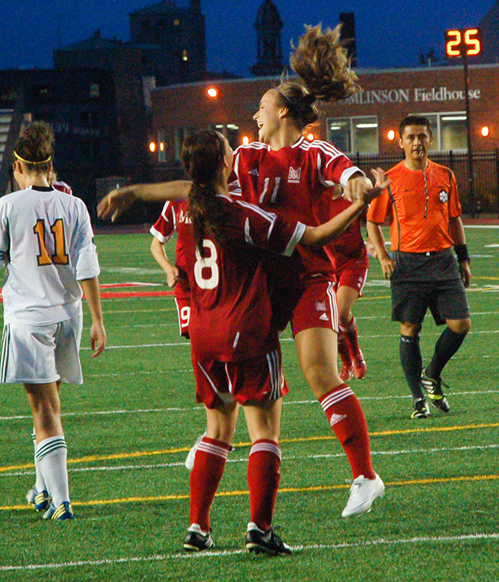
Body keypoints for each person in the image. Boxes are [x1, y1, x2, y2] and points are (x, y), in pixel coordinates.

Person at [99, 24, 385, 518]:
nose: (255, 110)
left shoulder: (313, 152)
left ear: (283, 114)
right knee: (237, 372)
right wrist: (135, 194)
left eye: (262, 104)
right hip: (258, 285)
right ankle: (213, 441)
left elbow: (347, 172)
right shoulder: (246, 156)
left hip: (305, 280)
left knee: (319, 373)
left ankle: (365, 476)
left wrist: (360, 186)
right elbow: (198, 189)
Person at [162, 130, 386, 554]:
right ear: (224, 166)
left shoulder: (187, 210)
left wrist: (133, 191)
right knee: (264, 430)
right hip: (246, 329)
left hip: (204, 337)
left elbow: (182, 266)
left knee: (216, 429)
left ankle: (197, 528)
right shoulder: (241, 212)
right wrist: (360, 203)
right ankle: (260, 530)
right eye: (229, 151)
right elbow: (315, 238)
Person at [0, 121, 106, 521]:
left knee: (44, 410)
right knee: (50, 404)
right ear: (50, 164)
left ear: (17, 165)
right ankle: (42, 490)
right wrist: (99, 320)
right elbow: (88, 266)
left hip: (30, 318)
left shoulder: (9, 206)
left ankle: (61, 502)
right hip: (70, 316)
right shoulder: (75, 205)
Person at [366, 115, 471, 419]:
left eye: (422, 136)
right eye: (410, 137)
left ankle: (432, 374)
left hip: (443, 261)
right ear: (400, 142)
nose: (417, 143)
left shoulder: (445, 175)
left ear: (430, 139)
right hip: (408, 263)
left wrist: (463, 258)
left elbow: (454, 218)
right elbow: (372, 222)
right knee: (410, 328)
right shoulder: (391, 178)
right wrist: (385, 257)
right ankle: (417, 399)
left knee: (460, 324)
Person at [325, 190, 369, 382]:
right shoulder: (314, 197)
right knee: (329, 320)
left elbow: (371, 220)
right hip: (326, 265)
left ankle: (356, 355)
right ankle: (346, 362)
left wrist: (375, 243)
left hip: (353, 263)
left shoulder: (352, 195)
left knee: (341, 311)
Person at [150, 201, 192, 338]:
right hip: (187, 287)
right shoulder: (177, 201)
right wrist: (168, 269)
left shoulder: (229, 196)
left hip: (217, 289)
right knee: (196, 341)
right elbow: (156, 244)